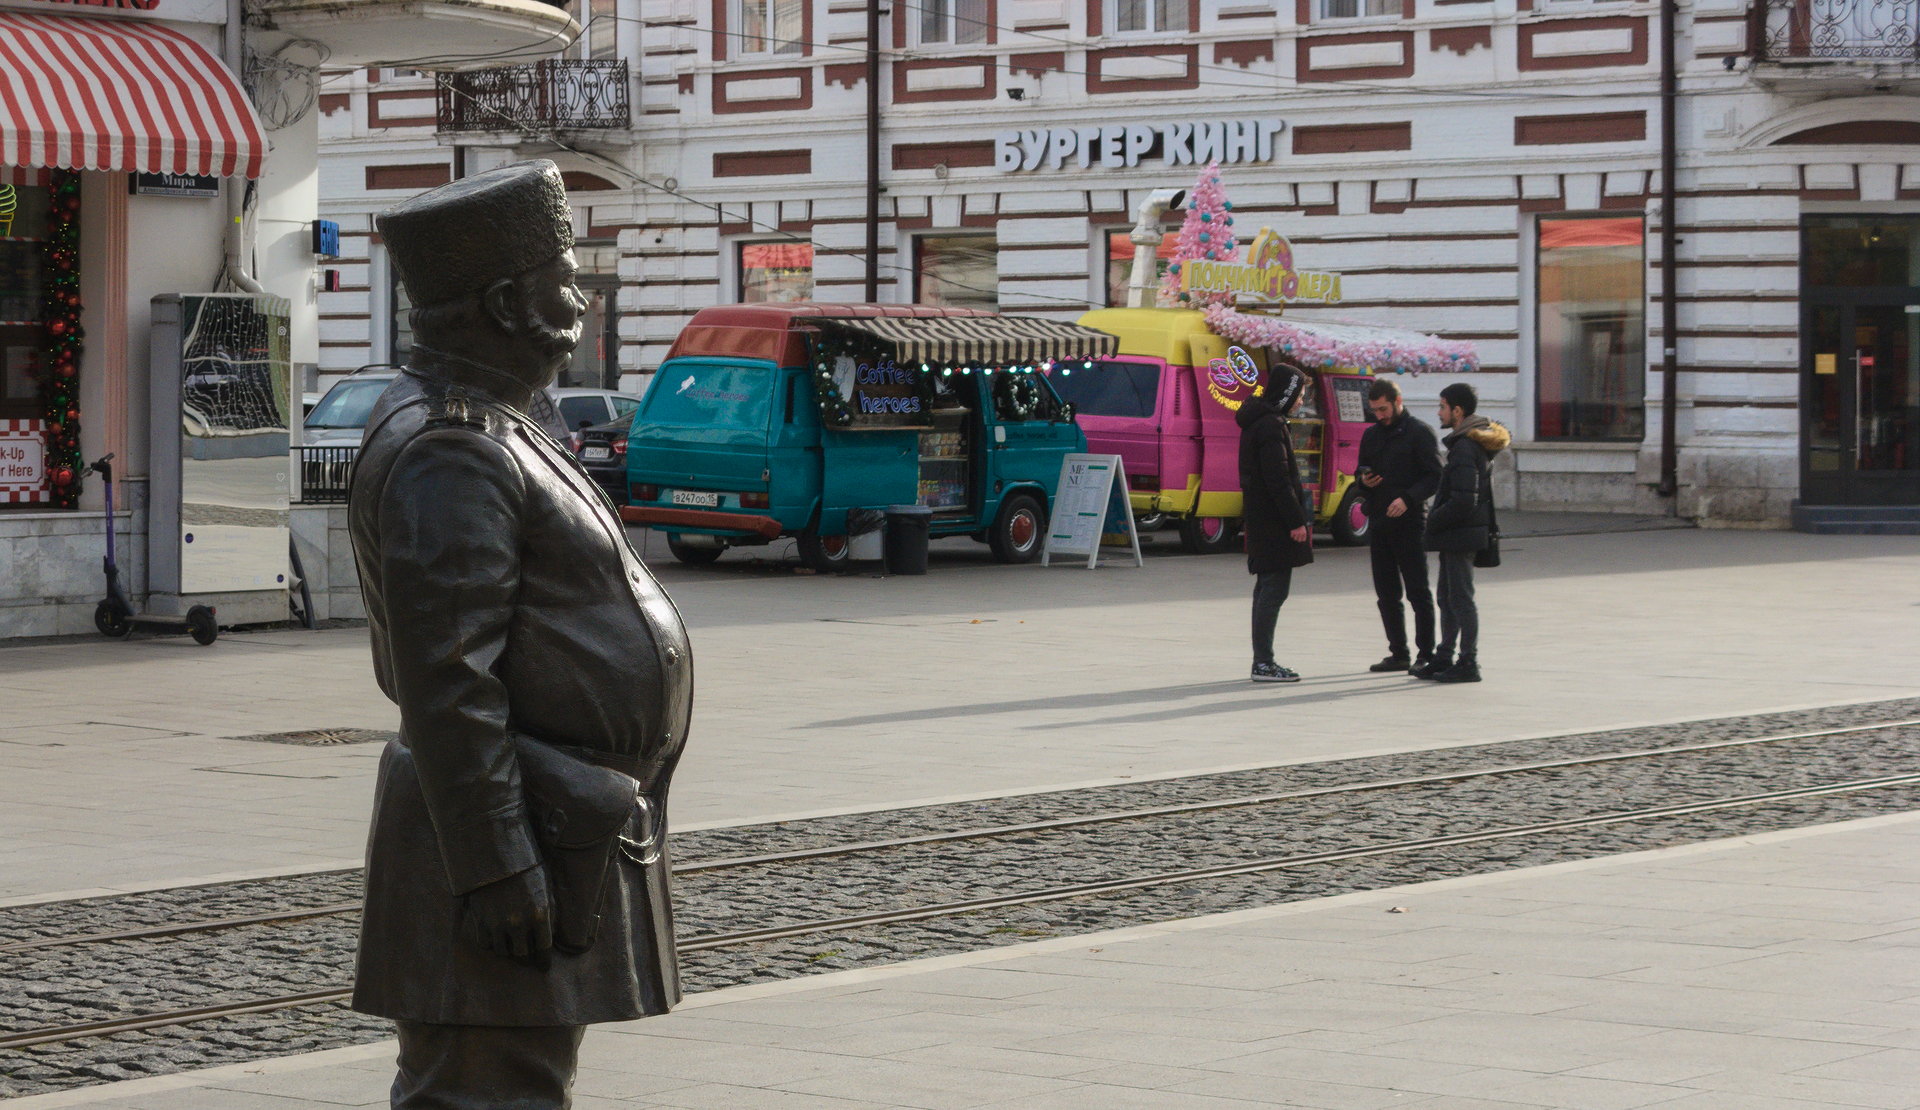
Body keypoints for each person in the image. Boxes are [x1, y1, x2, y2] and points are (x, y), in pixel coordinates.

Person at [347, 160, 692, 1109]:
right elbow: (450, 681)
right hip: (509, 834)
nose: (579, 297)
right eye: (565, 277)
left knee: (515, 1080)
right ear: (508, 301)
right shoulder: (454, 447)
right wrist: (498, 861)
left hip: (553, 816)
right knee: (485, 1088)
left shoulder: (502, 424)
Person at [1419, 381, 1509, 683]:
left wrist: (1433, 519)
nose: (1439, 412)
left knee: (1460, 599)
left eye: (1442, 406)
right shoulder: (1465, 444)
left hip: (1461, 534)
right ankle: (1444, 655)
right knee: (1447, 596)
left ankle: (1468, 661)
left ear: (1457, 411)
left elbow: (1463, 500)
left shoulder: (1465, 448)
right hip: (1459, 533)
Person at [1355, 378, 1442, 673]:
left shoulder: (1419, 433)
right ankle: (1398, 652)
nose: (1380, 415)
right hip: (1379, 521)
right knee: (1386, 593)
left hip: (1410, 522)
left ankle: (1426, 652)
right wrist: (1363, 480)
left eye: (1383, 409)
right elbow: (1361, 472)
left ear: (1398, 401)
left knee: (1418, 590)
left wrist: (1408, 499)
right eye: (1375, 410)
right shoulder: (1371, 436)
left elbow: (1434, 475)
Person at [1237, 368, 1314, 682]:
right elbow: (1278, 479)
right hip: (1272, 522)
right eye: (1300, 396)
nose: (1301, 402)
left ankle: (1262, 660)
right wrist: (1295, 520)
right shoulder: (1270, 425)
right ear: (1287, 394)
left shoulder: (1261, 421)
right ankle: (1264, 663)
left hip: (1261, 517)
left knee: (1266, 589)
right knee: (1273, 589)